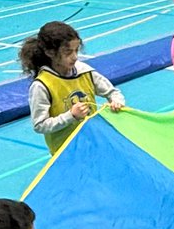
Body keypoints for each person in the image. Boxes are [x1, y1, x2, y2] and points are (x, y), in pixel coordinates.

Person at [19, 21, 125, 154]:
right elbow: (40, 125)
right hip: (67, 151)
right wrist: (71, 116)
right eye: (68, 52)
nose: (75, 57)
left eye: (76, 50)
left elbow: (113, 92)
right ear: (50, 52)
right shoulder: (42, 85)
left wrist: (117, 101)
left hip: (94, 142)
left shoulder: (85, 71)